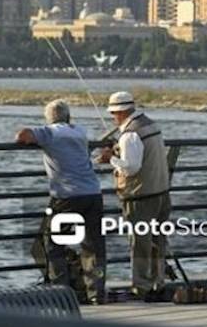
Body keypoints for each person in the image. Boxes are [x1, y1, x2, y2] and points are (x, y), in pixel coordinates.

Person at [16, 99, 106, 304]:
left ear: (49, 118)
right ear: (69, 116)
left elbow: (22, 135)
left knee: (54, 244)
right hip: (92, 192)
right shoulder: (80, 131)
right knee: (93, 246)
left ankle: (60, 292)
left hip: (66, 196)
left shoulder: (50, 132)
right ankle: (96, 294)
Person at [98, 91, 171, 302]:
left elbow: (131, 167)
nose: (113, 118)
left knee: (140, 243)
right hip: (161, 192)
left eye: (113, 114)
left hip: (140, 196)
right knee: (158, 240)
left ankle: (142, 286)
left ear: (120, 112)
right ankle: (158, 281)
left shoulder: (130, 134)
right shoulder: (151, 125)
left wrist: (111, 158)